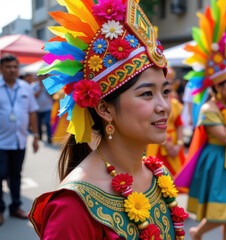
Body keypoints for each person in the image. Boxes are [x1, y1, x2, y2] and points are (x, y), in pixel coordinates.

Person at [29, 1, 188, 239]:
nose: (164, 106)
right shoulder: (73, 207)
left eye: (165, 92)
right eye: (147, 94)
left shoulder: (159, 174)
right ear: (104, 109)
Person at [174, 1, 226, 239]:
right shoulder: (209, 108)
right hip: (217, 161)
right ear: (218, 87)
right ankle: (198, 232)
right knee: (221, 211)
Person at [0, 54, 39, 226]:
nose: (12, 70)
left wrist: (36, 136)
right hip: (0, 142)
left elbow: (32, 112)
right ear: (1, 69)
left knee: (16, 175)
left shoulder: (26, 88)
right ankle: (0, 210)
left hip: (19, 141)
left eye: (15, 67)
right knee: (0, 176)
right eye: (8, 67)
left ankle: (15, 206)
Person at [147, 65, 186, 176]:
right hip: (157, 144)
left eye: (171, 82)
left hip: (174, 144)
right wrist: (165, 144)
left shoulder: (174, 104)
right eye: (166, 82)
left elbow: (179, 125)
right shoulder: (152, 103)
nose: (169, 86)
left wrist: (179, 144)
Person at [32, 74, 54, 143]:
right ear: (38, 77)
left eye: (43, 77)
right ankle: (40, 136)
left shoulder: (49, 85)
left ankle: (49, 138)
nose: (41, 78)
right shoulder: (34, 85)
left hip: (48, 108)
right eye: (40, 76)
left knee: (47, 122)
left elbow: (51, 95)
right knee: (38, 123)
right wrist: (40, 88)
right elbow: (34, 96)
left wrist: (45, 87)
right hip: (38, 109)